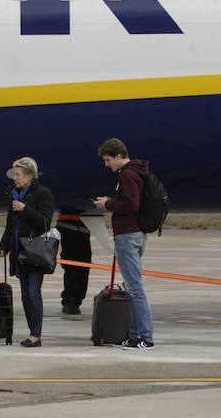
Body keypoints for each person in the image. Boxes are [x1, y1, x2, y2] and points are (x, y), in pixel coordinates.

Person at [93, 138, 155, 349]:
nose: (107, 164)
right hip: (136, 234)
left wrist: (107, 203)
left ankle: (145, 337)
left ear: (119, 155)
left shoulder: (128, 174)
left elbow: (131, 204)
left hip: (128, 235)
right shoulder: (136, 172)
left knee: (135, 288)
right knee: (132, 286)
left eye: (108, 160)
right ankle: (136, 336)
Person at [0, 157, 55, 347]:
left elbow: (45, 222)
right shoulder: (14, 195)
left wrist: (25, 209)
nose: (15, 178)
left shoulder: (43, 194)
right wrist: (3, 246)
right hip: (18, 251)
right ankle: (32, 332)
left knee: (32, 292)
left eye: (18, 174)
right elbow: (10, 224)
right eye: (14, 174)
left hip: (35, 251)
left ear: (30, 176)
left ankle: (36, 334)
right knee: (24, 294)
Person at [57, 212, 91, 315]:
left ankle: (74, 301)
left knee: (83, 267)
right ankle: (71, 301)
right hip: (69, 223)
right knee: (72, 267)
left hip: (84, 223)